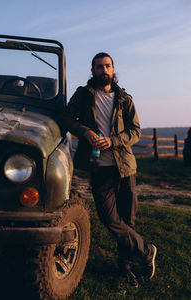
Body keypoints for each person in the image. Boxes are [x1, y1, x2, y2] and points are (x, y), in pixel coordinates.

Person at [61, 52, 157, 288]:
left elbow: (136, 131)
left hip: (124, 168)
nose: (104, 70)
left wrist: (113, 141)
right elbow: (65, 118)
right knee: (110, 220)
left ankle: (125, 269)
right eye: (99, 66)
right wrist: (86, 132)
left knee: (127, 221)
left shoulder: (125, 99)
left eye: (107, 66)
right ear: (92, 70)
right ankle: (146, 251)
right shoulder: (83, 95)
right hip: (99, 168)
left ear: (113, 69)